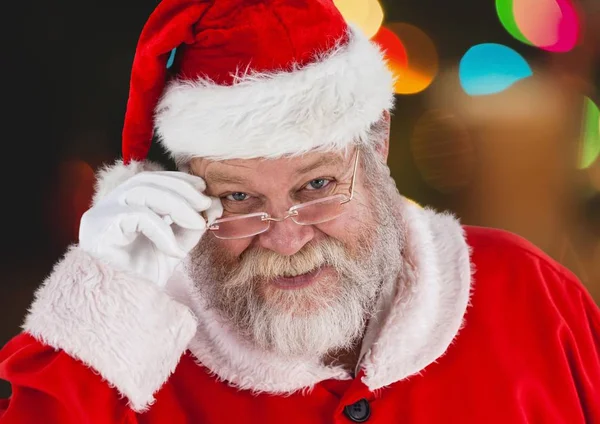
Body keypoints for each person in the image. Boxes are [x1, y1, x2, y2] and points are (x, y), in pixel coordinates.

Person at [1, 0, 599, 422]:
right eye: (238, 197)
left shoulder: (532, 297)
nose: (286, 240)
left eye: (316, 183)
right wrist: (95, 327)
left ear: (378, 142)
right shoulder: (131, 364)